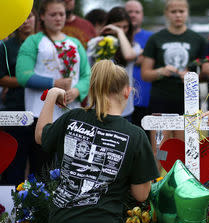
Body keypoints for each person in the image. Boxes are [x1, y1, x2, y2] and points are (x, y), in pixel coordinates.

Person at [36, 60, 159, 223]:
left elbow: (41, 135)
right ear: (127, 91)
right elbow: (141, 194)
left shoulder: (73, 118)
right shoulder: (134, 135)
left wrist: (52, 95)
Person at [16, 0, 91, 172]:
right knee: (43, 169)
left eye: (61, 14)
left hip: (72, 114)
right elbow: (22, 75)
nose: (58, 18)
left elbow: (88, 74)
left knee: (71, 168)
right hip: (41, 115)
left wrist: (76, 90)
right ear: (42, 16)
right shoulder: (32, 42)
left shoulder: (75, 42)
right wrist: (53, 84)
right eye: (53, 14)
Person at [141, 0, 206, 166]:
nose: (178, 15)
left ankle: (183, 188)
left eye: (181, 11)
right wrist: (160, 71)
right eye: (173, 11)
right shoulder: (156, 38)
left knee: (185, 149)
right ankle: (157, 186)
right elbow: (145, 74)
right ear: (166, 14)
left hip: (187, 101)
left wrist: (191, 76)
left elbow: (206, 72)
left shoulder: (197, 39)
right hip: (160, 99)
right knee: (159, 150)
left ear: (187, 13)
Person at [0, 11, 36, 185]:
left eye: (29, 16)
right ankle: (11, 210)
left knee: (39, 165)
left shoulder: (44, 45)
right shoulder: (6, 47)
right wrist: (30, 81)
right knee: (14, 163)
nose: (25, 21)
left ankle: (39, 208)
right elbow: (1, 78)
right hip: (15, 110)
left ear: (37, 18)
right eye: (21, 18)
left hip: (41, 111)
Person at [88, 6, 139, 121]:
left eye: (125, 27)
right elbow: (89, 68)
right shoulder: (99, 44)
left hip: (124, 108)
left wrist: (119, 32)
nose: (122, 30)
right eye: (117, 26)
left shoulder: (133, 46)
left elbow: (128, 55)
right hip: (100, 104)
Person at [125, 0, 153, 127]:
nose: (133, 15)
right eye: (129, 12)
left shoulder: (151, 38)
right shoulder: (116, 37)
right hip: (122, 100)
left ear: (142, 15)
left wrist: (129, 57)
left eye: (137, 12)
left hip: (145, 98)